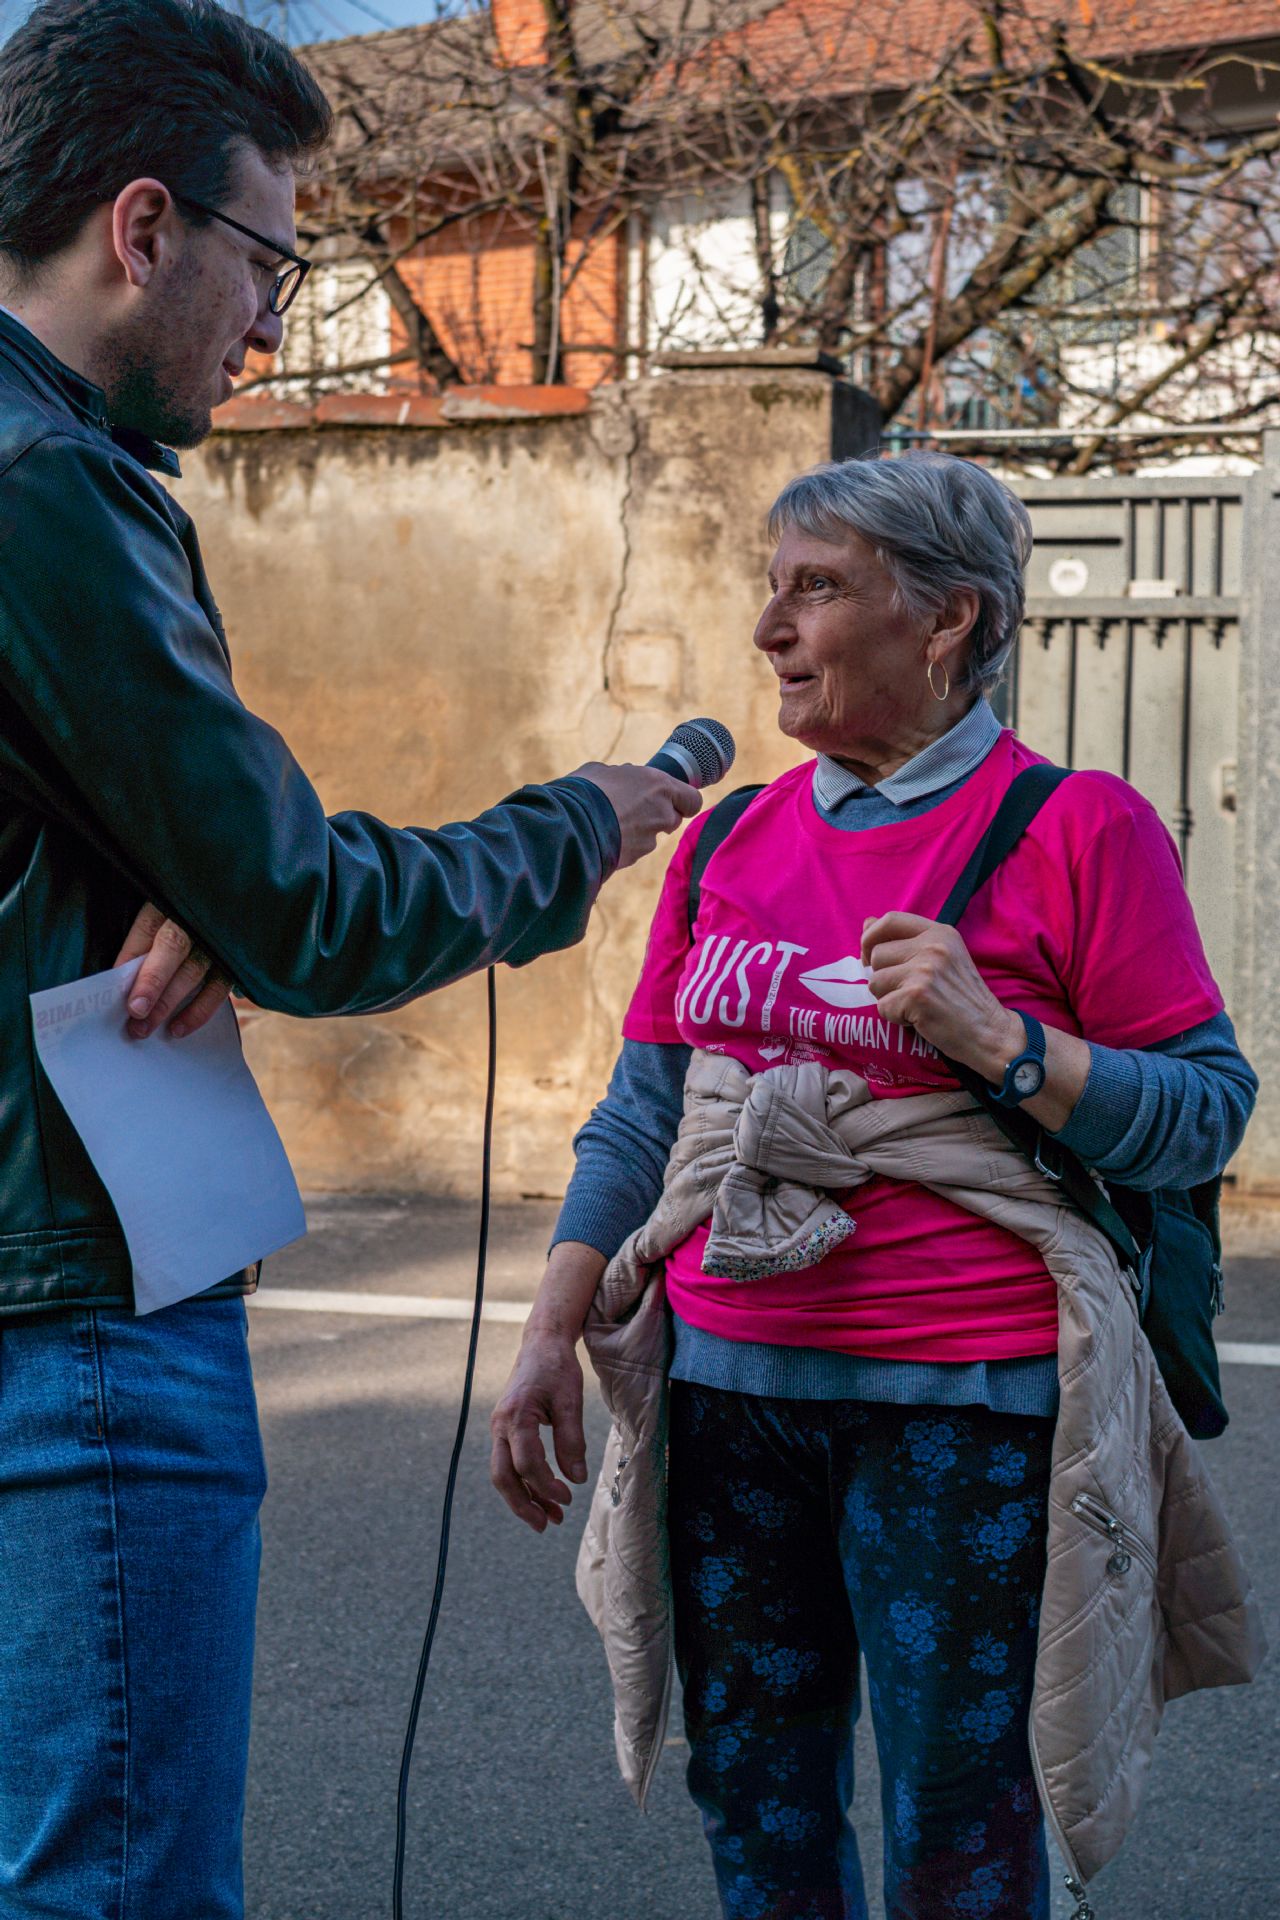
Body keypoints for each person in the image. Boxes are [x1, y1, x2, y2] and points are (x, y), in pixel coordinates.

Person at [0, 3, 700, 1914]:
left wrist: (151, 876)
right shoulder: (47, 486)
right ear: (144, 227)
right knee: (116, 1885)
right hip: (73, 1301)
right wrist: (584, 823)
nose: (270, 324)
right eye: (270, 262)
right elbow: (308, 907)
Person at [491, 452, 1264, 1919]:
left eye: (819, 589)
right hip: (727, 1393)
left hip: (960, 1409)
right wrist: (549, 1330)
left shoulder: (1080, 829)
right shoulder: (729, 837)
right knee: (755, 1794)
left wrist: (1006, 1042)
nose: (771, 630)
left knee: (958, 1817)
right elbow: (644, 1116)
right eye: (772, 590)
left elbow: (1205, 1115)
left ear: (948, 619)